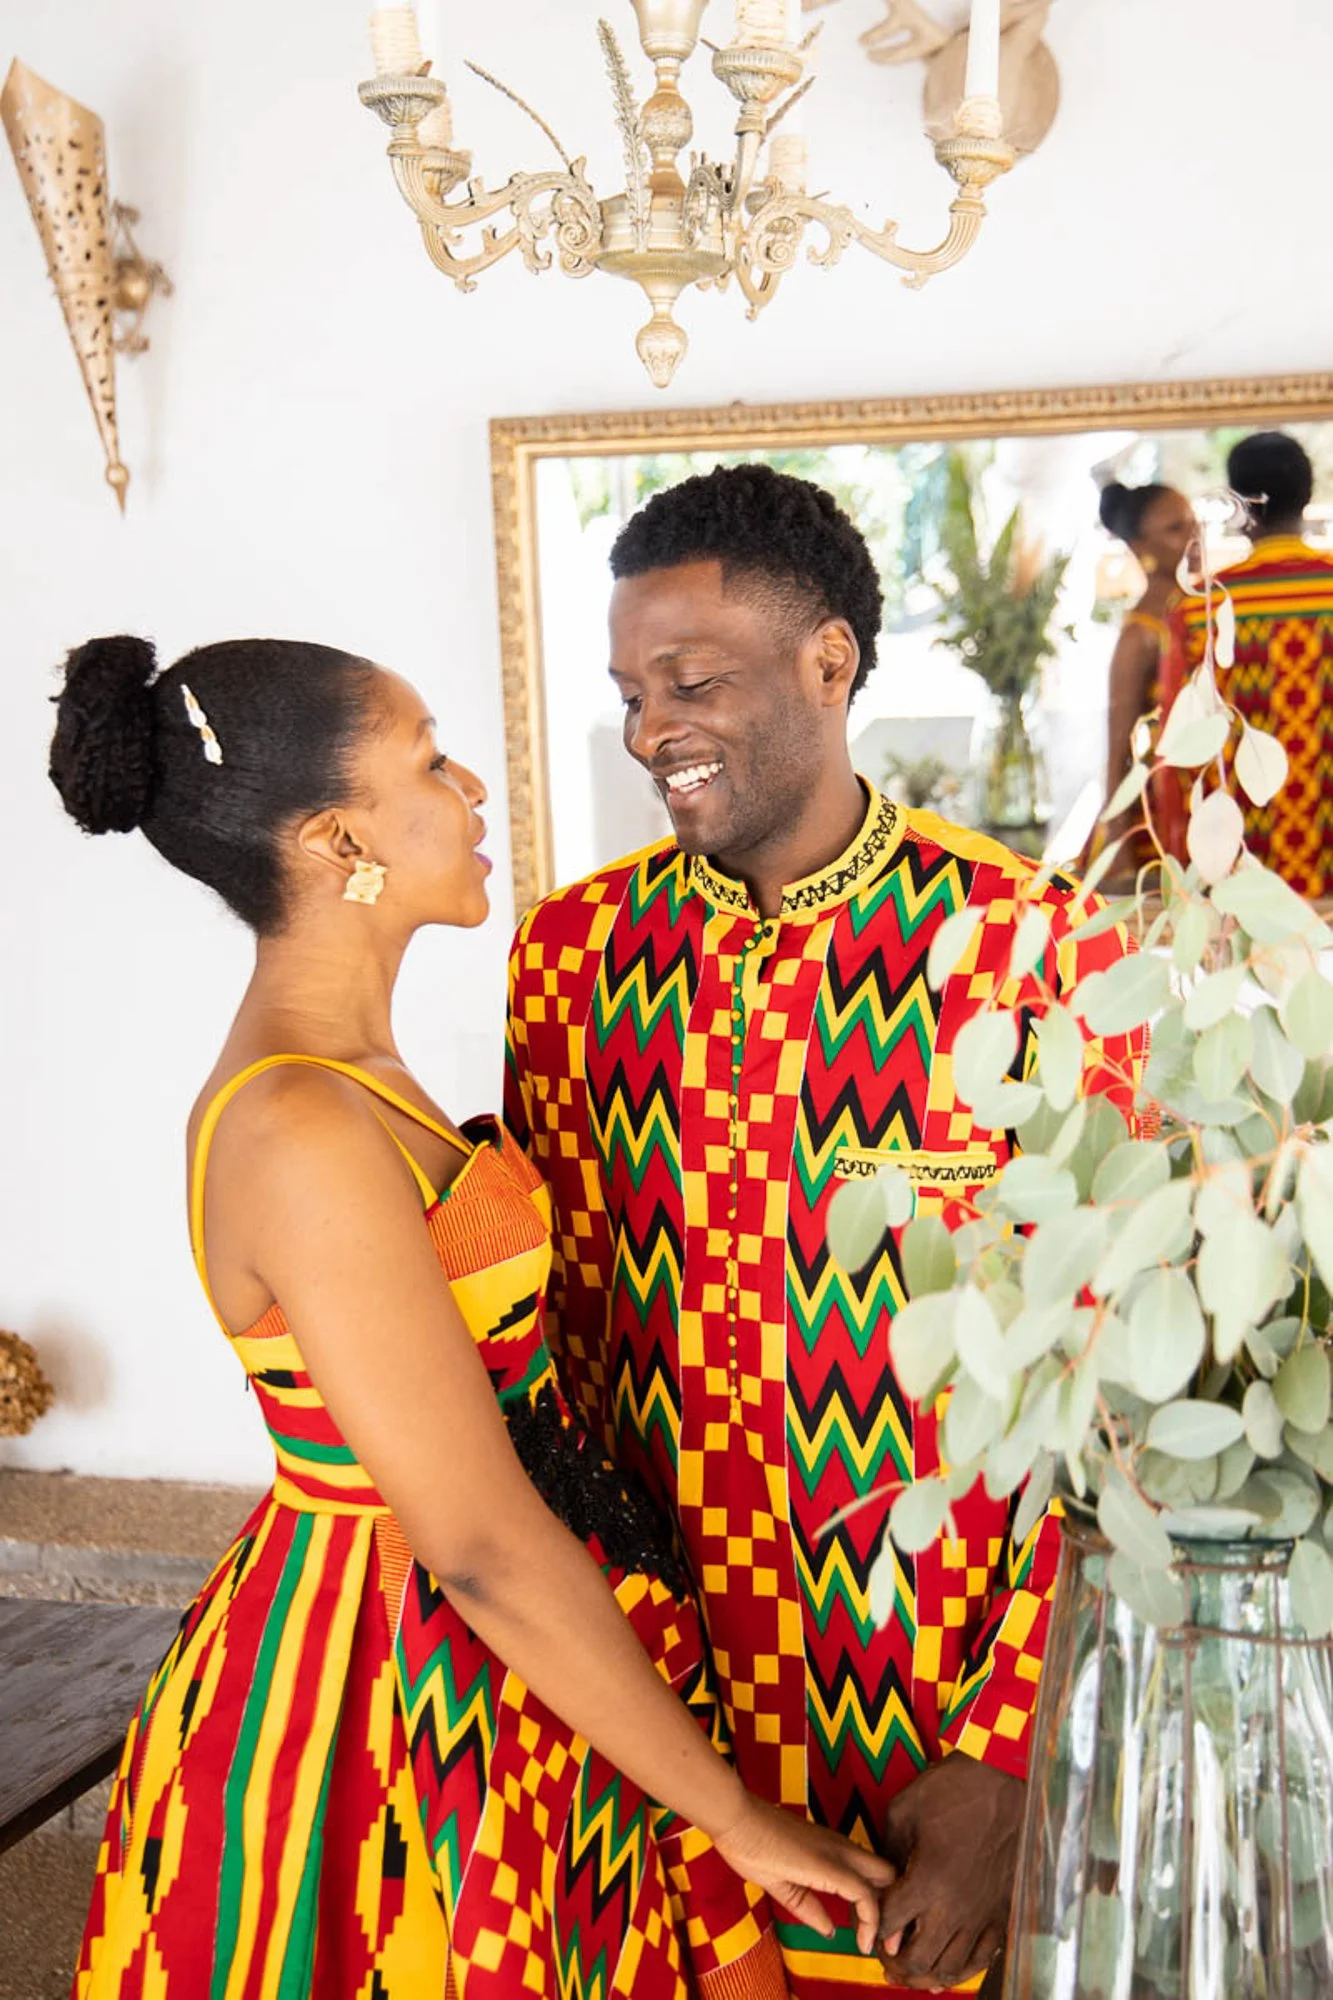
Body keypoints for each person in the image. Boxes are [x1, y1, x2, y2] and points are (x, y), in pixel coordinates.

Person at [50, 634, 895, 1998]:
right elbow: (476, 1544)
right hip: (390, 1691)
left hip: (508, 1661)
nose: (473, 790)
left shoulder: (356, 1076)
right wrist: (732, 1817)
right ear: (339, 838)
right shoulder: (300, 1125)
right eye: (428, 759)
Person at [504, 466, 1149, 1998]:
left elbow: (1113, 1365)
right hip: (662, 1703)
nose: (651, 724)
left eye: (692, 679)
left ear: (830, 663)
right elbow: (560, 1359)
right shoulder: (572, 959)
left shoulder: (1033, 950)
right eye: (627, 689)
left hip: (927, 1701)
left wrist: (1011, 1748)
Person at [1175, 430, 1333, 895]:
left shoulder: (1199, 608)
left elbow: (1184, 747)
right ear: (1307, 494)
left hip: (1243, 861)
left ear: (1240, 503)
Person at [1092, 479, 1197, 873]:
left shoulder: (1202, 615)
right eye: (1176, 528)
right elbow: (1119, 741)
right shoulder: (1141, 635)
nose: (1193, 538)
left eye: (1194, 524)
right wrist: (1116, 829)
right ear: (1140, 547)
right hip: (1153, 819)